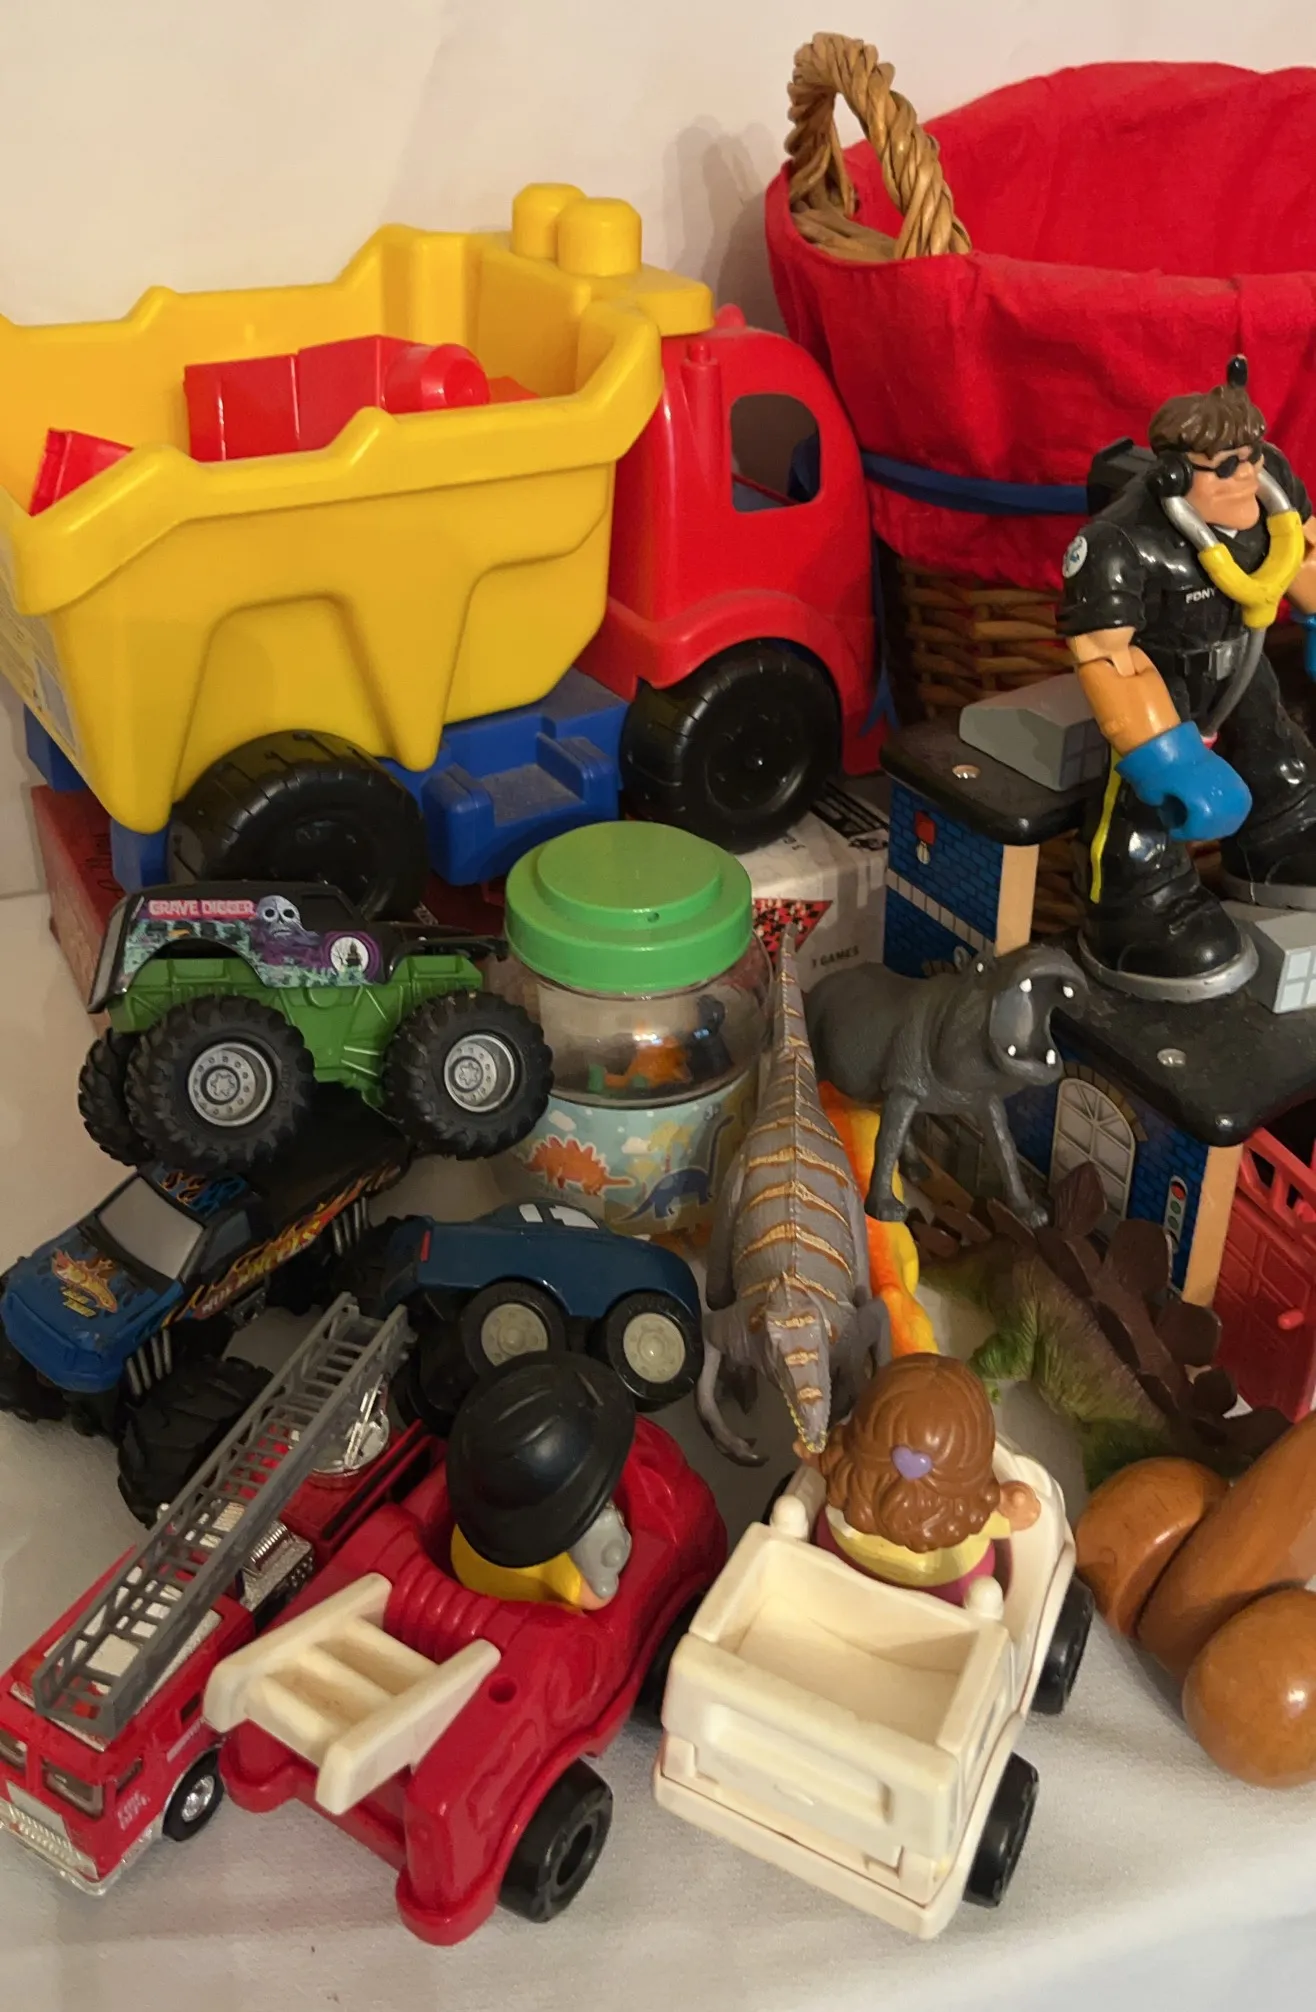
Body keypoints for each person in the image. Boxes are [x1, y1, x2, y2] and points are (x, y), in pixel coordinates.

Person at [1059, 357, 1316, 999]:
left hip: (1244, 658)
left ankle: (1282, 835)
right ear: (1176, 473)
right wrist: (1167, 759)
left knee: (1277, 751)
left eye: (1251, 457)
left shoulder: (1272, 485)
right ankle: (1137, 900)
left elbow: (1303, 550)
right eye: (1226, 467)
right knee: (1140, 803)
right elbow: (1107, 657)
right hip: (1161, 680)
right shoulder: (1122, 542)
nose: (1247, 475)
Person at [803, 1354, 1038, 1604]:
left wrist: (814, 1453)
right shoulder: (970, 1518)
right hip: (948, 1592)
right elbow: (1025, 1516)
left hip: (838, 1563)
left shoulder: (845, 1481)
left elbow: (823, 1458)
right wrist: (1014, 1504)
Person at [446, 1355, 635, 1610]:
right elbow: (599, 1597)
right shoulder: (566, 1573)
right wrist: (605, 1535)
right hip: (513, 1601)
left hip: (465, 1552)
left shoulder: (484, 1500)